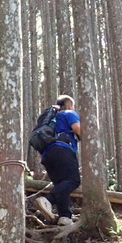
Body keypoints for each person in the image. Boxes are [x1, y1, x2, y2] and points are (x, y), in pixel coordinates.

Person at [38, 95, 81, 225]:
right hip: (63, 150)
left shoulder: (51, 119)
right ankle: (48, 200)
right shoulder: (69, 113)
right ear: (69, 106)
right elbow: (77, 128)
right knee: (73, 180)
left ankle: (65, 217)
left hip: (47, 154)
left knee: (62, 185)